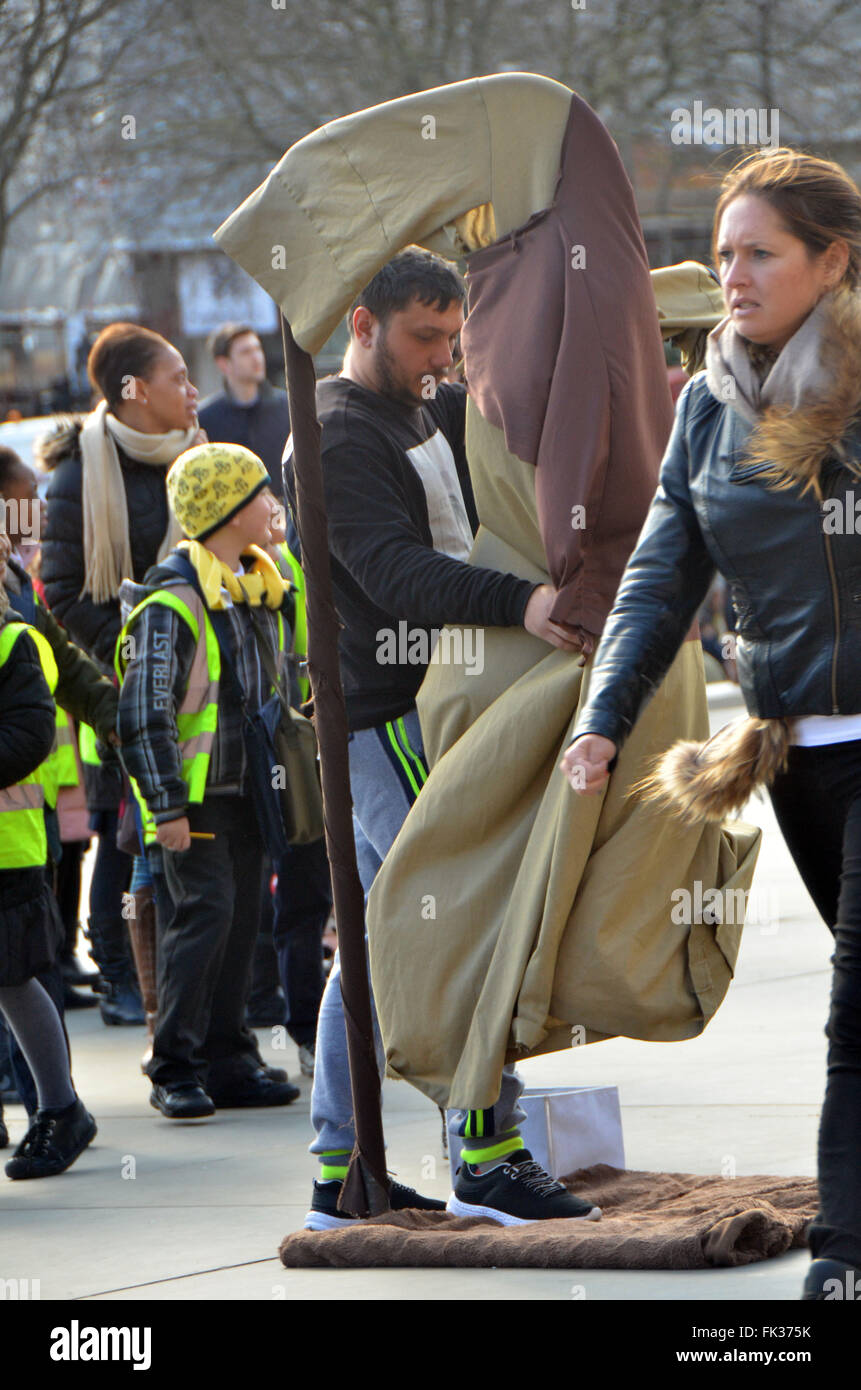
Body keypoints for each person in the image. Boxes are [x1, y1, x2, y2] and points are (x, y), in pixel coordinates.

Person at [562, 146, 861, 1300]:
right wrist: (605, 715)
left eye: (759, 253)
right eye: (725, 250)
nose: (730, 273)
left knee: (855, 1005)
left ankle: (843, 1253)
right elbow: (658, 575)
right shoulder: (708, 405)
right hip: (793, 751)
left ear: (831, 261)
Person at [283, 247, 595, 1231]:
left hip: (418, 708)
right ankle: (488, 1153)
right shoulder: (333, 432)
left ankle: (344, 1170)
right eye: (424, 337)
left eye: (453, 339)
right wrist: (527, 601)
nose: (441, 360)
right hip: (388, 713)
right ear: (360, 325)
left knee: (378, 942)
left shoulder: (421, 406)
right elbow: (397, 573)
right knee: (463, 917)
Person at [116, 442, 300, 1119]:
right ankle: (175, 1065)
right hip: (192, 801)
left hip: (249, 791)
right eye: (258, 494)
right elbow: (142, 712)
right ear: (226, 510)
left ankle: (229, 1058)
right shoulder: (172, 603)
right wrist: (164, 804)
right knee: (203, 919)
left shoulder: (257, 584)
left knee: (241, 922)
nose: (272, 505)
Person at [40, 322, 205, 1027]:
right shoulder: (81, 472)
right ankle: (120, 976)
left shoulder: (203, 461)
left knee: (190, 835)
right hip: (121, 688)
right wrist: (141, 658)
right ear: (133, 391)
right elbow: (65, 594)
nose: (191, 390)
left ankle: (196, 988)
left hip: (205, 688)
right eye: (176, 378)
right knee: (121, 830)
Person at [0, 526, 96, 1179]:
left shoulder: (14, 640)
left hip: (8, 847)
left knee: (11, 976)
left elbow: (29, 736)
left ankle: (60, 1108)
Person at [198, 324, 291, 498]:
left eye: (257, 349)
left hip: (285, 510)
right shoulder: (206, 418)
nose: (256, 358)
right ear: (224, 363)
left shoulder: (286, 407)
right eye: (245, 352)